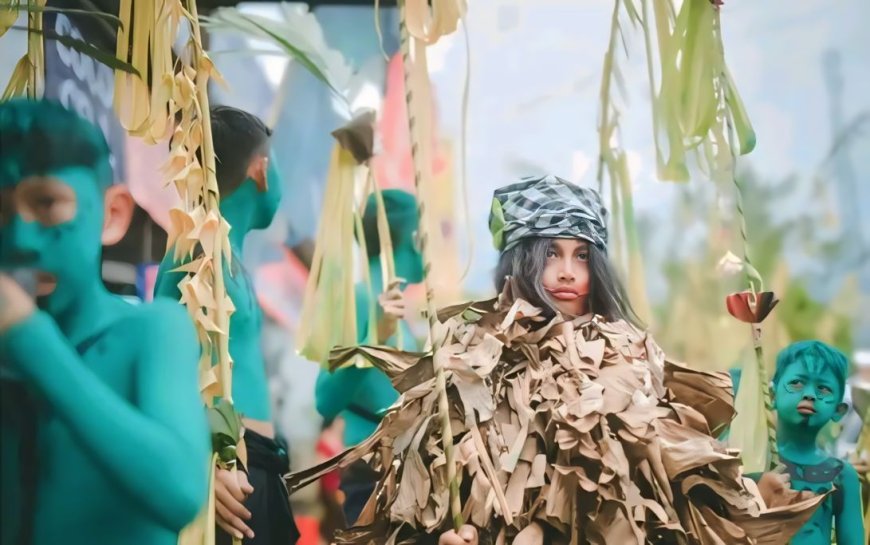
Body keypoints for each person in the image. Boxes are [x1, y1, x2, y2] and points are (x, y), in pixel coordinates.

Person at [287, 175, 821, 544]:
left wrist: (753, 493)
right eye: (550, 255)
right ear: (521, 263)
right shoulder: (474, 358)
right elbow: (434, 490)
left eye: (582, 256)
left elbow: (677, 474)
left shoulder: (633, 354)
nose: (567, 272)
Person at [0, 98, 209, 545]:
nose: (19, 239)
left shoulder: (152, 330)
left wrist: (34, 345)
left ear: (112, 214)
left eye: (48, 204)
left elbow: (180, 492)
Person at [154, 106, 299, 545]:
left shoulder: (228, 254)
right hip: (228, 472)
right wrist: (206, 463)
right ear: (262, 169)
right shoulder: (195, 250)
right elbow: (164, 368)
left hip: (254, 467)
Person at [314, 189, 423, 525]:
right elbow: (325, 398)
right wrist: (376, 336)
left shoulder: (412, 315)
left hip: (411, 474)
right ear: (412, 238)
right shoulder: (360, 300)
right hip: (371, 471)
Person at [767, 340, 865, 545]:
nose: (810, 394)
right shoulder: (746, 460)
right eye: (797, 382)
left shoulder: (841, 476)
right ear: (772, 395)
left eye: (823, 389)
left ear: (839, 411)